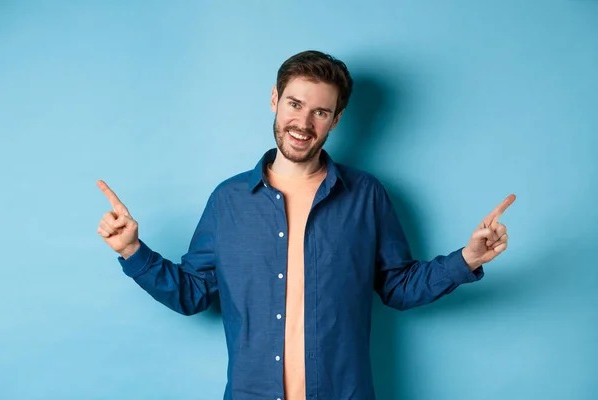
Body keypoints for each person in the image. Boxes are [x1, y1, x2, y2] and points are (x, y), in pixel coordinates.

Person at [96, 50, 515, 400]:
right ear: (275, 99)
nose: (304, 123)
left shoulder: (366, 196)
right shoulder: (229, 201)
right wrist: (132, 251)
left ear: (335, 120)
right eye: (295, 104)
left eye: (320, 112)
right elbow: (192, 293)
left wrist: (467, 258)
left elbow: (398, 285)